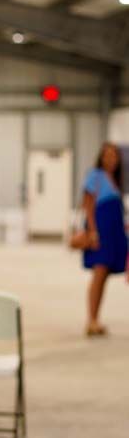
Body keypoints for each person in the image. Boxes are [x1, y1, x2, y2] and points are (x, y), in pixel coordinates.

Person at [82, 141, 127, 336]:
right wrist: (93, 232)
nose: (111, 159)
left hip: (114, 232)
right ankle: (91, 320)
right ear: (101, 157)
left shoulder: (115, 179)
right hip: (101, 231)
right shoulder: (95, 177)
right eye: (107, 155)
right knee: (98, 275)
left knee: (104, 277)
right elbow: (88, 206)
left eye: (114, 155)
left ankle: (96, 318)